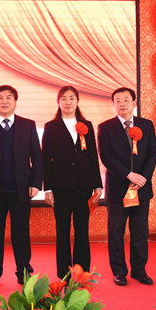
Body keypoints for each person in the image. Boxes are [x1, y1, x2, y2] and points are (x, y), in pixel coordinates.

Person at [0, 85, 42, 290]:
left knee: (21, 234)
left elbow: (37, 157)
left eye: (9, 97)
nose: (4, 101)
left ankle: (24, 273)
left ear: (15, 102)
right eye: (0, 98)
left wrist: (35, 183)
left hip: (21, 190)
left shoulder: (28, 125)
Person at [97, 87, 156, 286]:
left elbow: (152, 153)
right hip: (118, 188)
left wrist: (143, 178)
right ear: (113, 104)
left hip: (141, 188)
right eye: (118, 101)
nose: (122, 104)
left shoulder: (146, 125)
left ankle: (139, 270)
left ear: (134, 103)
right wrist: (129, 175)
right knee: (116, 231)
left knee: (140, 231)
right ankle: (119, 271)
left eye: (126, 100)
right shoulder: (105, 127)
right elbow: (106, 156)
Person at [42, 86, 102, 278]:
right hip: (60, 186)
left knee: (82, 230)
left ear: (77, 101)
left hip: (84, 185)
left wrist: (98, 184)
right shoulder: (51, 127)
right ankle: (64, 273)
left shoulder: (87, 125)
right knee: (63, 231)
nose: (68, 102)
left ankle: (81, 272)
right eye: (64, 99)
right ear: (58, 102)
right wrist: (47, 188)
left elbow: (93, 155)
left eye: (71, 98)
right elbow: (46, 159)